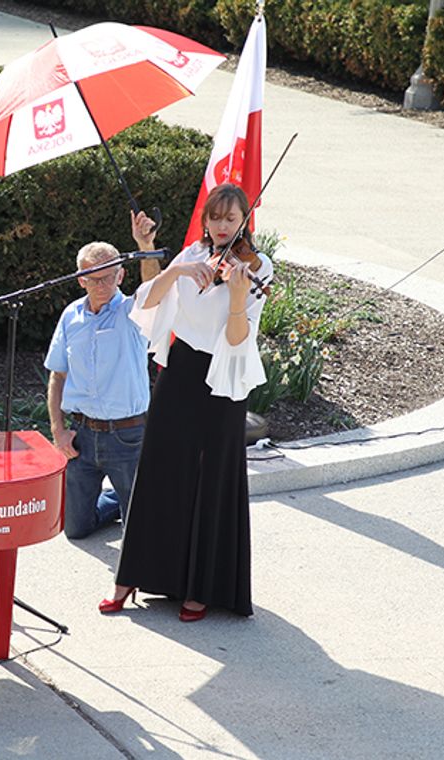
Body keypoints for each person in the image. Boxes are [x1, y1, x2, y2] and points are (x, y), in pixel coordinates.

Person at [100, 183, 273, 621]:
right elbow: (149, 300)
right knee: (160, 466)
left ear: (243, 221)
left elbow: (238, 339)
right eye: (214, 218)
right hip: (181, 369)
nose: (220, 227)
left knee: (213, 474)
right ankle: (130, 576)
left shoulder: (257, 267)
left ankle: (203, 585)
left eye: (230, 220)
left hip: (224, 378)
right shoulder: (193, 255)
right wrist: (167, 265)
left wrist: (236, 298)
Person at [44, 241, 151, 539]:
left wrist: (146, 245)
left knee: (138, 537)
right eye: (94, 278)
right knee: (75, 529)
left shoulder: (134, 312)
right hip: (83, 436)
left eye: (109, 276)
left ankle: (140, 503)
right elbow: (57, 376)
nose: (102, 284)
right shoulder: (70, 316)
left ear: (121, 276)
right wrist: (58, 431)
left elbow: (153, 289)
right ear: (81, 279)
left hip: (127, 437)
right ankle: (124, 501)